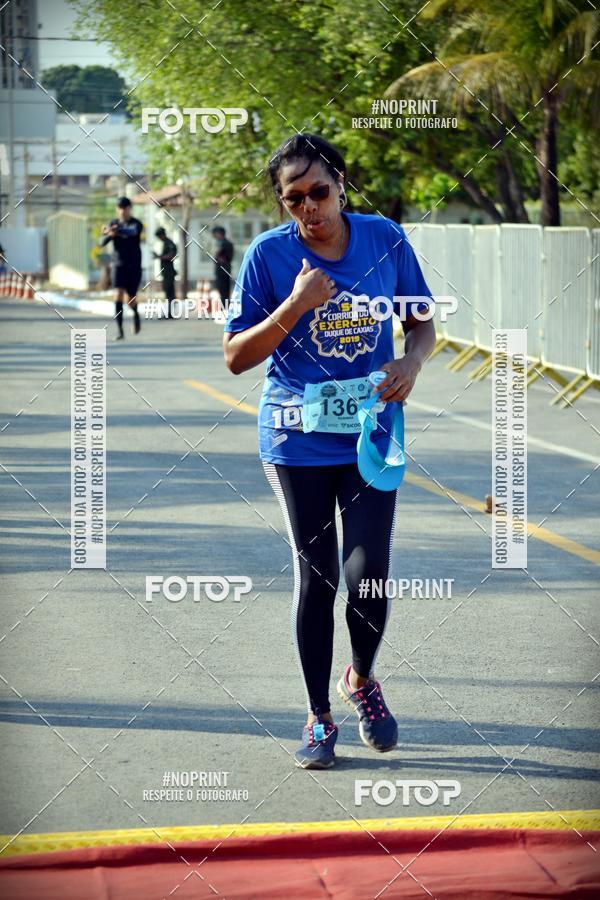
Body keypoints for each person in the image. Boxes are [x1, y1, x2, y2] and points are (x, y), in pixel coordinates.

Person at [223, 134, 436, 769]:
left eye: (319, 192)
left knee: (366, 572)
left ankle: (362, 681)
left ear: (341, 182)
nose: (309, 208)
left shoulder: (385, 239)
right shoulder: (268, 256)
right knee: (316, 578)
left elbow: (421, 323)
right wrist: (295, 303)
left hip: (373, 428)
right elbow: (236, 358)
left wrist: (412, 361)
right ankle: (318, 717)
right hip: (297, 437)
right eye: (294, 200)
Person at [100, 197, 144, 340]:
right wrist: (108, 234)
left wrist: (116, 231)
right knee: (118, 294)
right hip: (118, 265)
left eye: (125, 208)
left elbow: (132, 232)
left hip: (134, 266)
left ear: (130, 209)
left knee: (130, 299)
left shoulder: (136, 224)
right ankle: (120, 331)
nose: (122, 211)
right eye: (119, 208)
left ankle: (136, 314)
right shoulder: (113, 224)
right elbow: (102, 242)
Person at [154, 227, 178, 318]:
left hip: (169, 273)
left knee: (170, 293)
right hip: (165, 273)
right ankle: (169, 313)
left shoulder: (170, 243)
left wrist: (160, 257)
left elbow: (171, 256)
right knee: (168, 293)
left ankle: (170, 313)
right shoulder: (165, 243)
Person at [211, 226, 234, 309]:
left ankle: (224, 307)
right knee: (224, 290)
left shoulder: (223, 243)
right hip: (224, 269)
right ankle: (225, 306)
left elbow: (219, 256)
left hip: (222, 269)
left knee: (223, 289)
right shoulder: (224, 243)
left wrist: (216, 256)